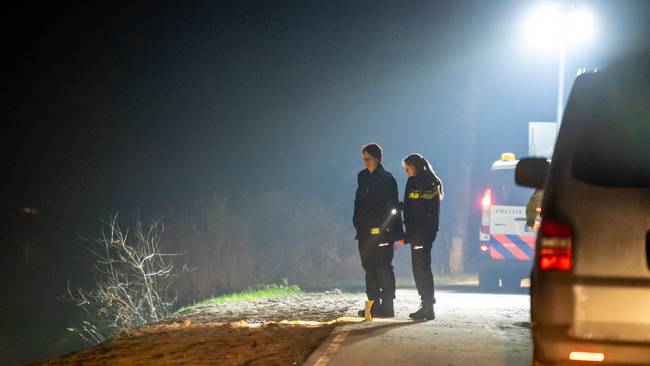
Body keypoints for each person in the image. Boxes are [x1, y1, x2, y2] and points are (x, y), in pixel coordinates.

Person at [353, 143, 403, 318]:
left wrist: (394, 233)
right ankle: (372, 307)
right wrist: (357, 224)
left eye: (369, 158)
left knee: (383, 268)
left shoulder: (387, 179)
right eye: (364, 159)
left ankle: (388, 307)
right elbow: (358, 204)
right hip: (364, 232)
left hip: (382, 232)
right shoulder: (362, 177)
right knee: (369, 269)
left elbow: (393, 207)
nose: (366, 162)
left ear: (378, 158)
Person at [402, 153, 443, 320]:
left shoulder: (422, 182)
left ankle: (427, 305)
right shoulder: (423, 181)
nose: (407, 171)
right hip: (422, 232)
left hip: (421, 232)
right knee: (421, 267)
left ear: (415, 166)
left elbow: (419, 210)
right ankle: (428, 307)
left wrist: (412, 231)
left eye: (408, 168)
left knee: (421, 268)